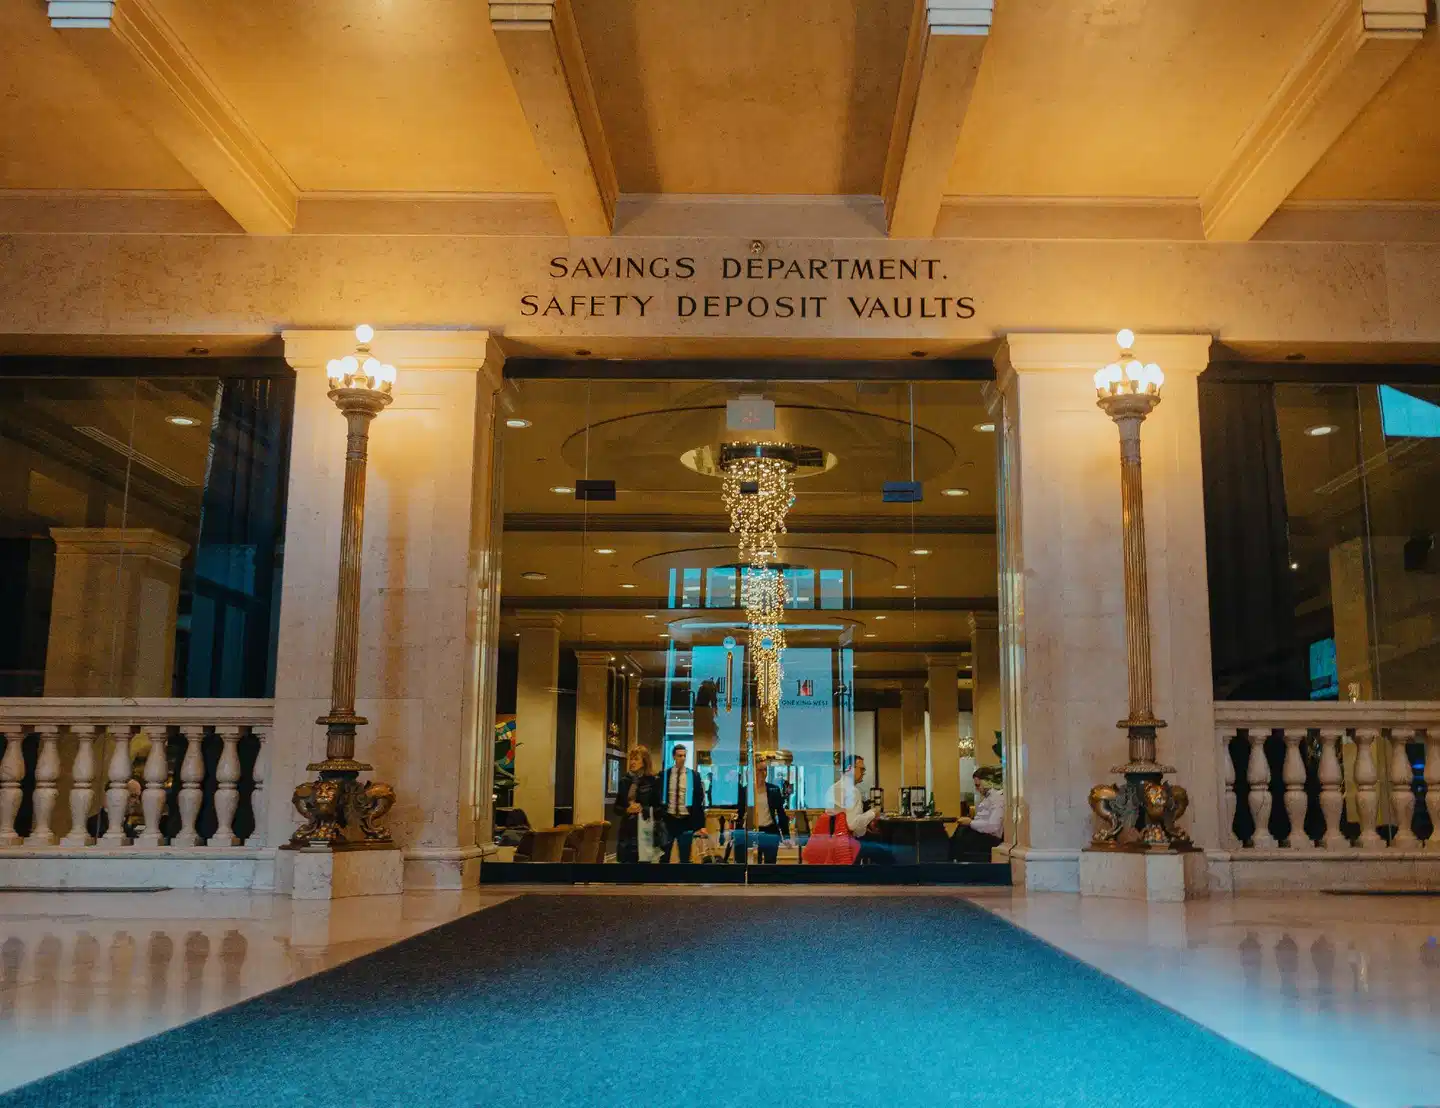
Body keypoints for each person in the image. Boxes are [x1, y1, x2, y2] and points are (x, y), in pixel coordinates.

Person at [827, 754, 892, 865]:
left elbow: (843, 820)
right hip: (848, 845)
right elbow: (853, 825)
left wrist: (865, 826)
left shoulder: (832, 788)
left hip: (834, 844)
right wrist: (873, 813)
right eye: (861, 769)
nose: (863, 773)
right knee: (888, 855)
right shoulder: (852, 791)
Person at [734, 754, 790, 864]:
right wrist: (737, 834)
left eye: (765, 770)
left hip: (769, 831)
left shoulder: (774, 790)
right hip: (751, 832)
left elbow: (781, 813)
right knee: (754, 865)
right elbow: (740, 814)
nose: (763, 773)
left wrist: (786, 835)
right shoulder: (745, 791)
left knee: (770, 864)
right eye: (759, 770)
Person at [614, 745, 662, 863]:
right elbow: (616, 808)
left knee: (643, 869)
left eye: (636, 759)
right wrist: (627, 809)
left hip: (645, 829)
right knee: (624, 870)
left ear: (644, 762)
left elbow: (659, 809)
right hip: (627, 831)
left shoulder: (653, 781)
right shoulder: (624, 781)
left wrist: (642, 808)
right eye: (631, 759)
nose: (632, 762)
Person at [659, 744, 707, 863]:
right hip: (669, 819)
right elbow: (658, 796)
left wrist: (701, 824)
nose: (683, 758)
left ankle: (683, 878)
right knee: (664, 854)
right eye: (680, 755)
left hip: (686, 820)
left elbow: (698, 800)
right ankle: (661, 879)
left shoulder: (693, 775)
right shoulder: (665, 775)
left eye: (684, 756)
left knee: (685, 854)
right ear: (674, 757)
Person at [950, 766, 1005, 861]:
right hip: (983, 834)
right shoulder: (989, 798)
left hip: (990, 838)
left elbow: (993, 826)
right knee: (961, 831)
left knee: (962, 833)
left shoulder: (998, 798)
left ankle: (952, 860)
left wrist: (970, 823)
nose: (977, 789)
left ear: (987, 782)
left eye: (978, 785)